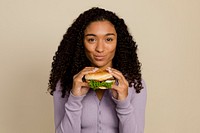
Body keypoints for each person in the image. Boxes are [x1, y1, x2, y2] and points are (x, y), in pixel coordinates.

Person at [48, 7, 147, 133]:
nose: (100, 48)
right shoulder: (64, 84)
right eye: (91, 39)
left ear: (119, 42)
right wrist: (74, 99)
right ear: (81, 43)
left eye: (109, 39)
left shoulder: (135, 84)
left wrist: (123, 104)